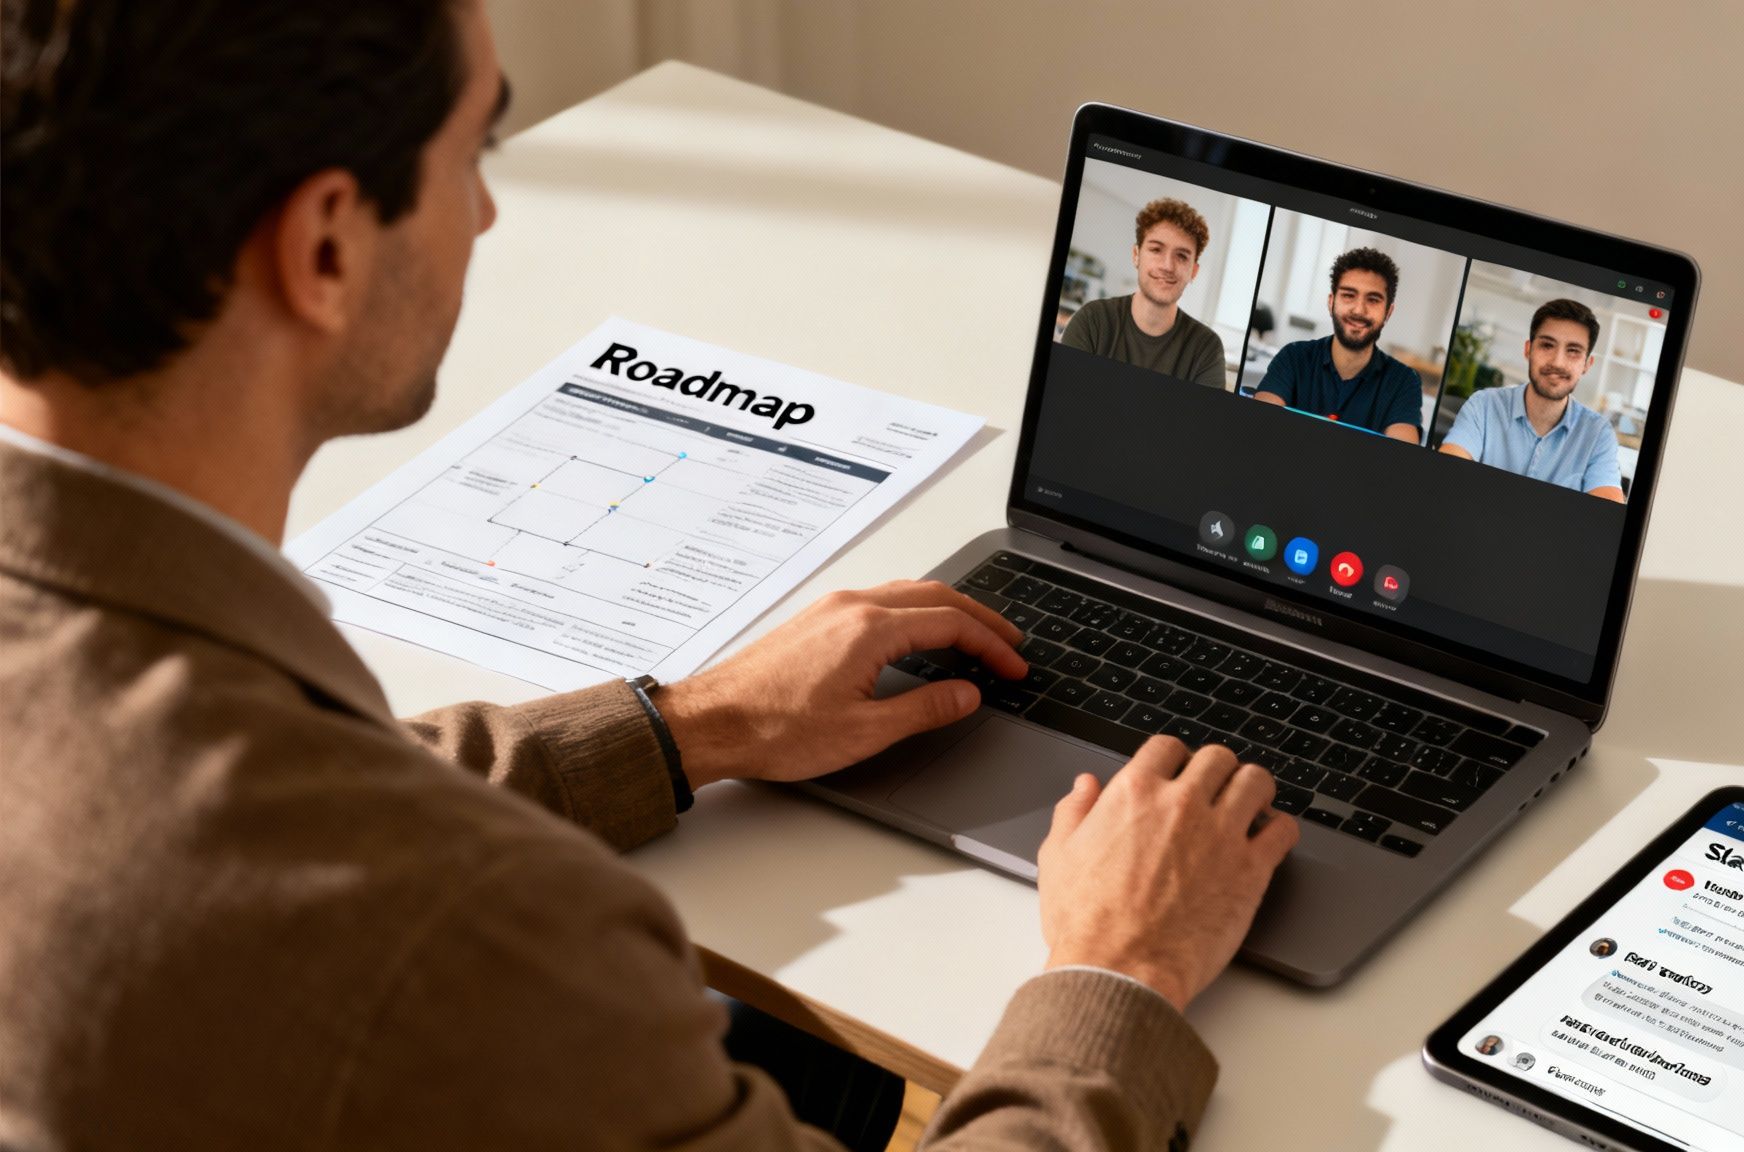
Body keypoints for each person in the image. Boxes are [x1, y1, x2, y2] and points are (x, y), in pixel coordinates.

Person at [0, 4, 1300, 1150]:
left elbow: (289, 819)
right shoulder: (478, 943)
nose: (492, 208)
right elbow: (357, 879)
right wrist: (1122, 971)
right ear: (327, 245)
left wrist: (691, 723)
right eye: (474, 151)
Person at [1439, 299, 1624, 501]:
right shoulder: (1484, 405)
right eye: (1547, 345)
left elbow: (1606, 513)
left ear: (1587, 364)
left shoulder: (1598, 434)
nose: (1557, 362)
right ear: (1528, 350)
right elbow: (1447, 478)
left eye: (1573, 351)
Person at [1254, 247, 1424, 442]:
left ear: (1388, 312)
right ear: (1331, 302)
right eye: (1348, 295)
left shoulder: (1403, 382)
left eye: (1373, 299)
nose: (1359, 310)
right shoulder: (1293, 357)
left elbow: (1402, 462)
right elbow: (1260, 431)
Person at [1061, 196, 1229, 389]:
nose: (1167, 266)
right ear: (1136, 255)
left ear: (1193, 271)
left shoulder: (1206, 349)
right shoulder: (1091, 322)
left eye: (1181, 256)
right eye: (1156, 249)